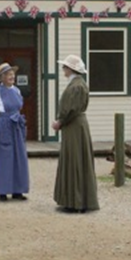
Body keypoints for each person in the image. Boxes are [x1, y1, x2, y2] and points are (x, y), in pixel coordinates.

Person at [50, 54, 98, 213]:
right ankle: (73, 199)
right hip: (75, 125)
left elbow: (70, 109)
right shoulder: (77, 84)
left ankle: (77, 200)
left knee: (75, 159)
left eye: (65, 67)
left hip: (74, 126)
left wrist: (60, 122)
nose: (63, 69)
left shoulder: (76, 86)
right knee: (75, 159)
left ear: (71, 69)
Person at [0, 62, 30, 201]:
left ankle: (18, 190)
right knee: (4, 158)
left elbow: (18, 108)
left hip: (15, 126)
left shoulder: (16, 90)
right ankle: (2, 191)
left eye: (12, 74)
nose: (11, 76)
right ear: (2, 77)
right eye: (8, 74)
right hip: (3, 125)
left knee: (18, 157)